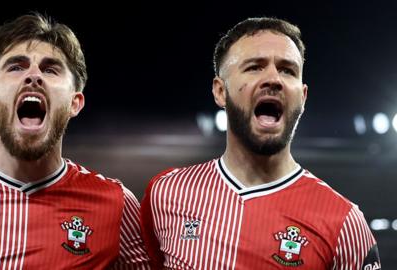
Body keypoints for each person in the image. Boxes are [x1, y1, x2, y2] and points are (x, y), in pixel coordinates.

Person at [140, 17, 381, 269]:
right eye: (255, 67)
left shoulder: (345, 222)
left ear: (303, 96)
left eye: (287, 70)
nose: (274, 79)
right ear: (221, 91)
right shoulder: (166, 193)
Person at [0, 13, 150, 269]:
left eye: (50, 69)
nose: (33, 76)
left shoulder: (115, 203)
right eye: (16, 66)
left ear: (75, 103)